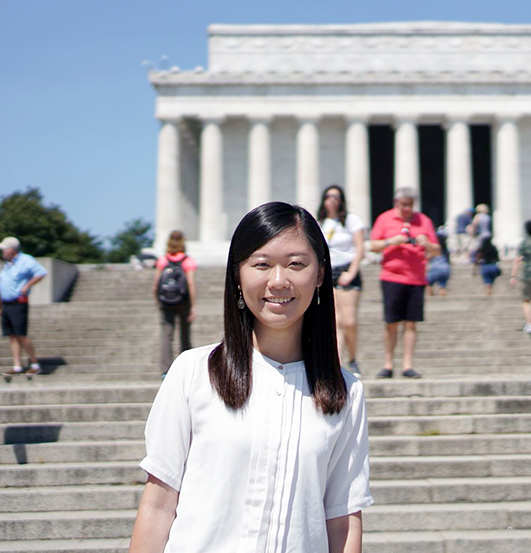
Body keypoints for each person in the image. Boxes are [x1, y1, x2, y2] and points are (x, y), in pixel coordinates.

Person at [130, 202, 373, 553]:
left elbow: (343, 520)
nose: (278, 281)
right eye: (261, 264)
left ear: (320, 274)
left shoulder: (346, 392)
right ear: (237, 275)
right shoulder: (193, 373)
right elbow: (158, 504)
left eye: (296, 264)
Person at [369, 187, 440, 379]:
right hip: (391, 276)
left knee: (411, 323)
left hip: (416, 278)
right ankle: (388, 363)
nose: (407, 209)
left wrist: (427, 244)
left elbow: (437, 251)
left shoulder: (423, 220)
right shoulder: (385, 219)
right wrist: (391, 241)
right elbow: (373, 245)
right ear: (396, 203)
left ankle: (408, 365)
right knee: (391, 322)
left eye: (410, 205)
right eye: (403, 205)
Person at [317, 185, 366, 378]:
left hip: (347, 269)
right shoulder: (320, 222)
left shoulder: (351, 220)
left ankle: (352, 358)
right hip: (328, 272)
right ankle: (335, 362)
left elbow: (360, 247)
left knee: (349, 320)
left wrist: (352, 271)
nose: (332, 200)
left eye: (336, 197)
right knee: (333, 320)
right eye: (328, 196)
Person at [0, 237, 47, 376]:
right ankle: (17, 366)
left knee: (21, 334)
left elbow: (41, 272)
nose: (2, 251)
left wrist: (27, 285)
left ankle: (34, 363)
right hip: (6, 304)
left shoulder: (25, 260)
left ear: (12, 250)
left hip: (18, 303)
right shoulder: (7, 265)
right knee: (12, 336)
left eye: (4, 249)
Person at [153, 230, 197, 376]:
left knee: (166, 334)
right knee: (185, 334)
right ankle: (187, 368)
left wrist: (157, 299)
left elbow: (156, 283)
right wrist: (193, 306)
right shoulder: (187, 261)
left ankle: (166, 369)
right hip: (183, 300)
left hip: (166, 300)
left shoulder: (163, 260)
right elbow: (190, 284)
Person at [427, 228, 451, 296]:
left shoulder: (435, 249)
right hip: (445, 268)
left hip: (435, 268)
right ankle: (443, 297)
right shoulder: (446, 251)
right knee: (442, 286)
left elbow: (428, 257)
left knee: (429, 284)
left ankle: (431, 296)